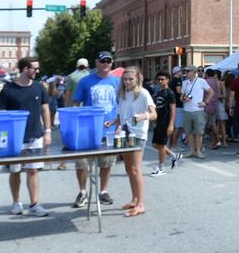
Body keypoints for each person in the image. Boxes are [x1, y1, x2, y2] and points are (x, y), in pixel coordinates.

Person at [0, 56, 51, 217]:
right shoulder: (8, 89)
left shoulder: (39, 87)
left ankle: (35, 204)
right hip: (15, 138)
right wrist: (3, 138)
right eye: (35, 68)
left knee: (33, 170)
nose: (38, 71)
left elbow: (45, 109)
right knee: (15, 170)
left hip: (35, 136)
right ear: (25, 69)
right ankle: (16, 202)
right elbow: (0, 113)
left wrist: (47, 131)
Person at [71, 52, 121, 208]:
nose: (106, 64)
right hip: (87, 129)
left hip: (109, 129)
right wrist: (75, 124)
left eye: (108, 61)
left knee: (106, 163)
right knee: (82, 163)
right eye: (103, 61)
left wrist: (119, 125)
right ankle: (83, 192)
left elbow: (121, 106)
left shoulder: (117, 82)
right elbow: (75, 104)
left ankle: (103, 191)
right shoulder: (85, 81)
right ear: (96, 63)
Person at [115, 66, 154, 217]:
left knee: (136, 169)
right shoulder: (123, 94)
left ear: (137, 78)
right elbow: (121, 116)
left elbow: (154, 114)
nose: (127, 82)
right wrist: (114, 123)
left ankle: (141, 204)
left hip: (138, 134)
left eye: (130, 79)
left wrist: (143, 116)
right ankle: (134, 199)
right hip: (123, 133)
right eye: (125, 79)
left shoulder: (143, 93)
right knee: (128, 169)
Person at [149, 71, 181, 176]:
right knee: (155, 144)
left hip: (166, 122)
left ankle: (161, 167)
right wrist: (153, 120)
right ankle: (173, 155)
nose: (160, 81)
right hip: (159, 121)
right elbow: (158, 108)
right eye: (158, 79)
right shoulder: (159, 92)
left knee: (161, 145)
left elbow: (173, 110)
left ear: (167, 80)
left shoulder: (170, 93)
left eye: (162, 79)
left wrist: (171, 124)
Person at [179, 65, 213, 158]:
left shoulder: (201, 81)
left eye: (188, 71)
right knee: (189, 132)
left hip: (198, 110)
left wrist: (205, 102)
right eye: (186, 71)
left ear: (194, 72)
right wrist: (183, 99)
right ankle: (191, 150)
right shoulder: (185, 82)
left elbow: (211, 92)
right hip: (187, 109)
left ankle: (198, 151)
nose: (186, 73)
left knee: (199, 132)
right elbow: (181, 96)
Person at [204, 68, 224, 149]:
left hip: (206, 104)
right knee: (213, 124)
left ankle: (202, 144)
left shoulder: (205, 82)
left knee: (204, 125)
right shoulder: (217, 82)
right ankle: (215, 142)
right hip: (215, 104)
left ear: (207, 74)